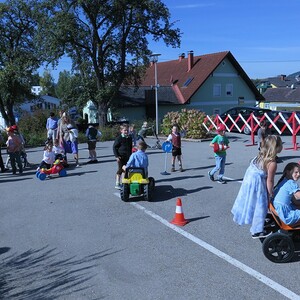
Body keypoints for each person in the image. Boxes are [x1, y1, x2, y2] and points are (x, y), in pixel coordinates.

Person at [231, 135, 283, 239]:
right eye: (281, 144)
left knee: (253, 204)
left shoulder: (260, 155)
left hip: (249, 181)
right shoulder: (272, 163)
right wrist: (270, 194)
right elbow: (270, 180)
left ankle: (259, 223)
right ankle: (257, 231)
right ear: (276, 147)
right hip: (257, 184)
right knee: (261, 206)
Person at [113, 124, 132, 189]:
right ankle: (117, 183)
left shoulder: (129, 138)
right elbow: (114, 147)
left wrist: (131, 155)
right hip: (120, 157)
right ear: (121, 131)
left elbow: (130, 147)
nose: (126, 132)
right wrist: (117, 156)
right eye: (125, 130)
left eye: (127, 130)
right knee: (120, 169)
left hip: (128, 157)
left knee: (126, 169)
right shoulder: (119, 138)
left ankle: (123, 182)